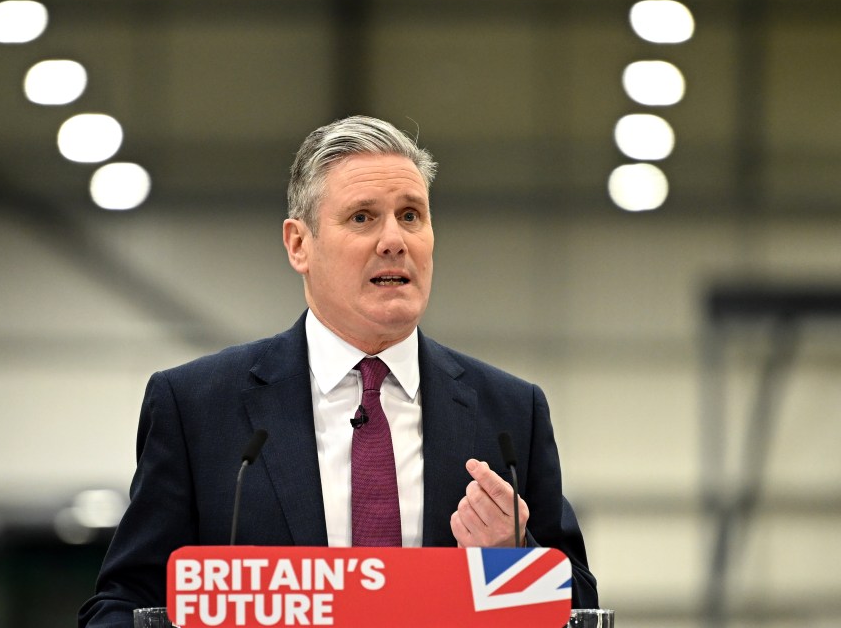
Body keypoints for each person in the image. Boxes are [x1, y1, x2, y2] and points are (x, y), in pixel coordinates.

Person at [78, 115, 598, 627]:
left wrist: (513, 560)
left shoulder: (510, 411)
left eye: (411, 215)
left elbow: (580, 607)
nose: (394, 239)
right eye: (362, 218)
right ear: (299, 245)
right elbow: (123, 602)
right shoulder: (196, 407)